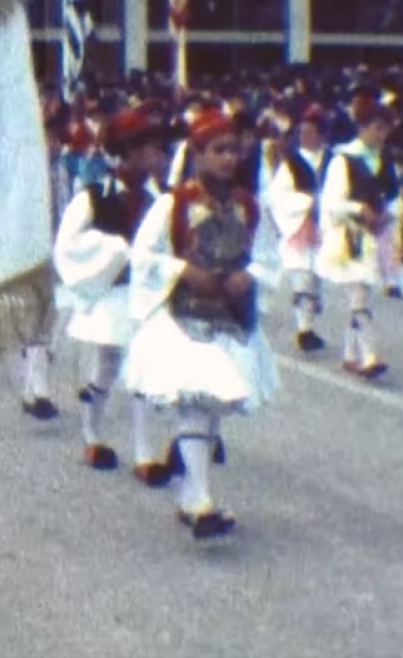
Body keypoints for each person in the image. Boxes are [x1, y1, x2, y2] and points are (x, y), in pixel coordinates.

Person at [121, 110, 279, 539]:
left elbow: (269, 257)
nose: (228, 158)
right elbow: (143, 255)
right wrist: (182, 271)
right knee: (195, 400)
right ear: (197, 153)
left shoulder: (250, 207)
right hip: (183, 317)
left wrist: (252, 276)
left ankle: (193, 496)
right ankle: (201, 501)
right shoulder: (173, 205)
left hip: (229, 318)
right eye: (218, 150)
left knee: (212, 409)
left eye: (233, 149)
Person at [52, 108, 171, 484]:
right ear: (130, 151)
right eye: (153, 149)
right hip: (114, 294)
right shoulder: (94, 197)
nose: (161, 157)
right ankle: (92, 433)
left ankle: (144, 451)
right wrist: (114, 251)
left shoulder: (162, 200)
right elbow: (67, 245)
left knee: (143, 371)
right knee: (105, 366)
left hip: (146, 296)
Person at [315, 101, 402, 381]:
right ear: (362, 128)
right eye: (377, 128)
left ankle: (350, 354)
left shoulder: (386, 161)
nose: (382, 135)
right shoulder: (344, 160)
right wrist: (358, 209)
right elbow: (331, 202)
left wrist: (387, 215)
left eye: (386, 129)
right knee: (360, 294)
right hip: (349, 237)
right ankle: (370, 355)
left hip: (377, 235)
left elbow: (395, 196)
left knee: (362, 293)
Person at [267, 105, 333, 353]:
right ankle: (304, 328)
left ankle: (310, 319)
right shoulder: (291, 165)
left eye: (310, 132)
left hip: (325, 225)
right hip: (300, 225)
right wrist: (305, 201)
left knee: (316, 278)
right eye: (302, 131)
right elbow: (277, 196)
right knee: (302, 276)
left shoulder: (333, 161)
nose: (305, 136)